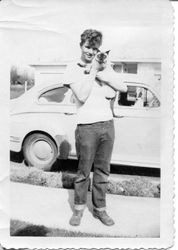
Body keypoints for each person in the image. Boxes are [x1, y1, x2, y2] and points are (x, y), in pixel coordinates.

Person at [64, 29, 127, 226]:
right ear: (81, 46)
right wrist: (93, 71)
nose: (91, 51)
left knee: (102, 172)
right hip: (86, 127)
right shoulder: (72, 68)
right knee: (83, 172)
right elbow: (81, 96)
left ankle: (100, 210)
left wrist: (104, 71)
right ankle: (79, 210)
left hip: (107, 125)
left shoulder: (103, 66)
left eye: (95, 48)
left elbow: (123, 87)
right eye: (87, 47)